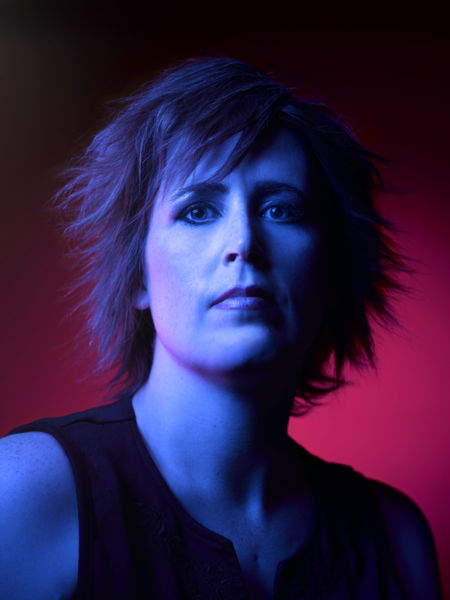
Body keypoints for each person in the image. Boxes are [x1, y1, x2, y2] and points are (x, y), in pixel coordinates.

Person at [0, 57, 443, 600]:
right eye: (198, 211)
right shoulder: (26, 494)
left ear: (328, 270)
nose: (244, 243)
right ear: (137, 275)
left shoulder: (394, 540)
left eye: (281, 210)